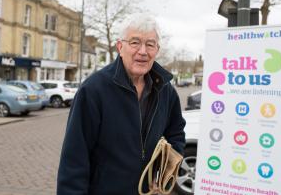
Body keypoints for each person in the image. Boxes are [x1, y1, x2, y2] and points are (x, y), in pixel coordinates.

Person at [57, 14, 186, 194]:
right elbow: (74, 158)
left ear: (157, 50)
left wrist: (165, 172)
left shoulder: (165, 90)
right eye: (134, 42)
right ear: (120, 47)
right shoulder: (93, 90)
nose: (143, 51)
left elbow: (176, 132)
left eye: (150, 44)